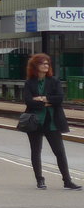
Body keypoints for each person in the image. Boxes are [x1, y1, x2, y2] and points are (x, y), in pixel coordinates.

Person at [22, 53, 83, 190]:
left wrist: (42, 99)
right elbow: (28, 101)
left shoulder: (54, 81)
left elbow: (59, 99)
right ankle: (40, 180)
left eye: (47, 63)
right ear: (35, 66)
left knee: (60, 152)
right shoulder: (29, 82)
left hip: (52, 122)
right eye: (42, 63)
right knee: (36, 151)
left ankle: (67, 181)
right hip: (34, 121)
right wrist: (47, 101)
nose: (46, 65)